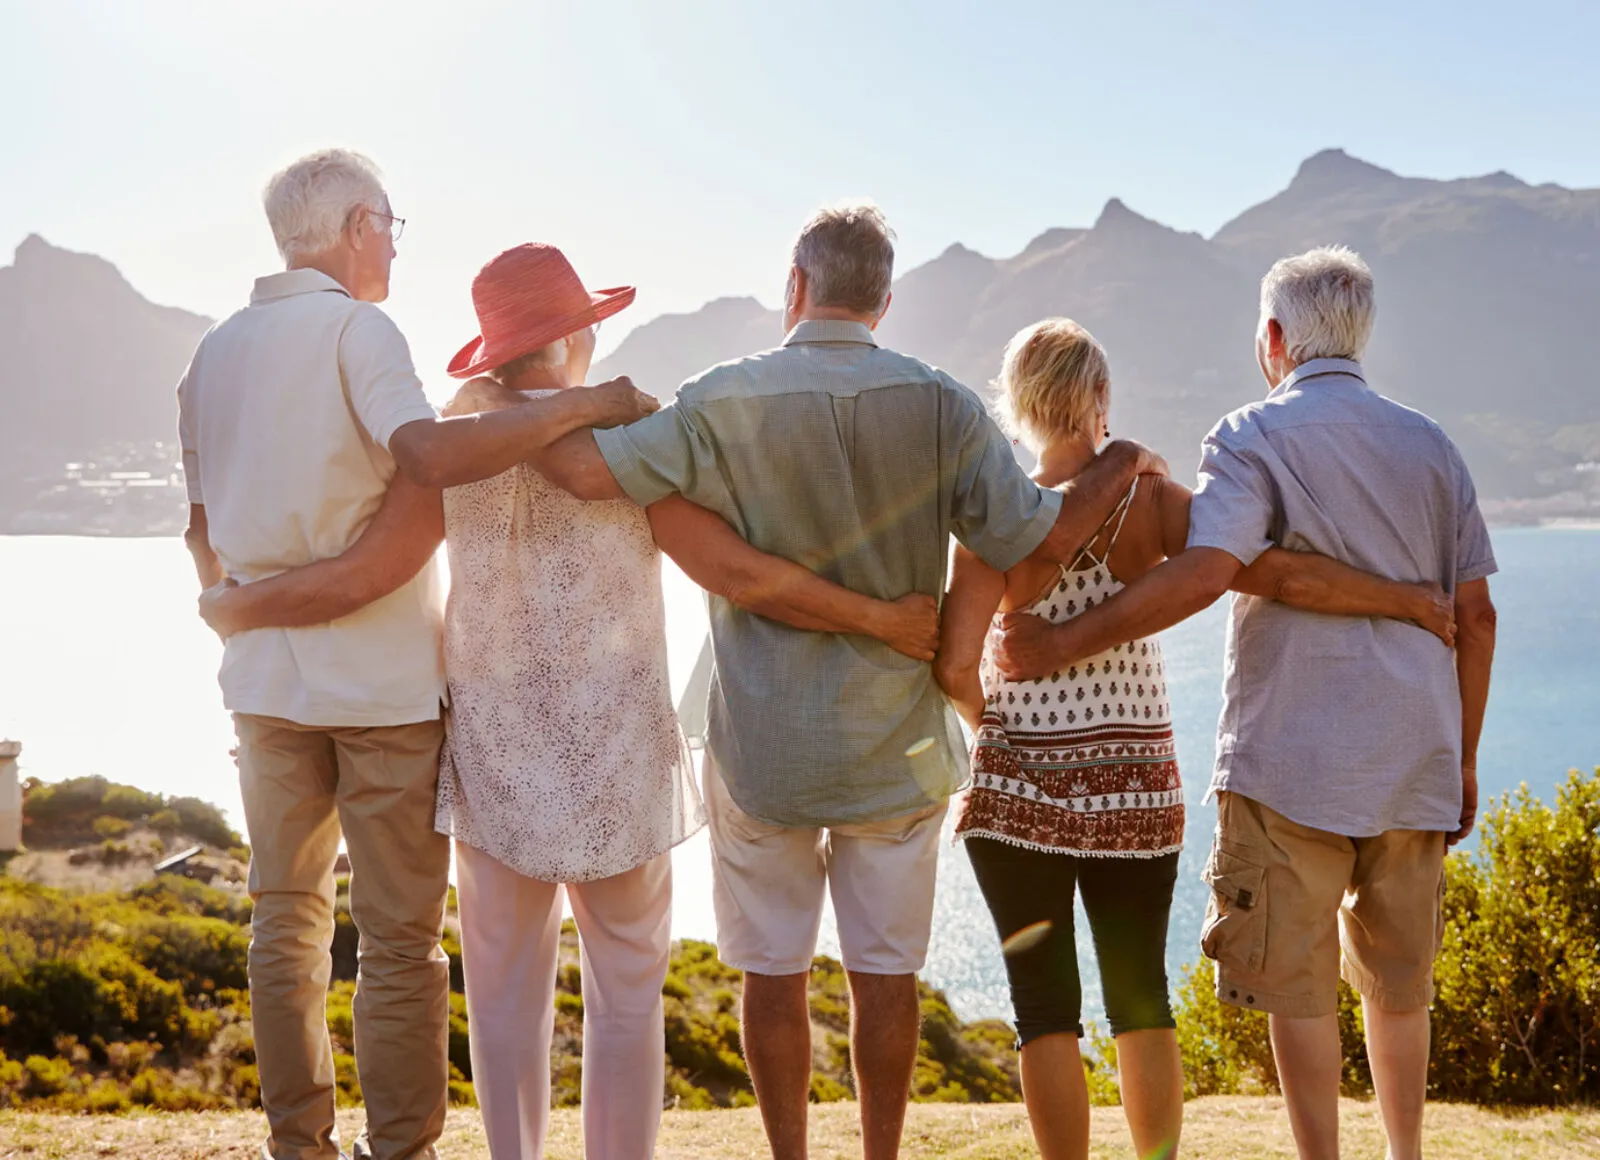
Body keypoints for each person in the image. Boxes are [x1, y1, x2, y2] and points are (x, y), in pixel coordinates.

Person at [199, 241, 945, 1160]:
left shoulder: (454, 437)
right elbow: (727, 565)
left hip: (497, 757)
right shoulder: (631, 441)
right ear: (577, 336)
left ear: (498, 349)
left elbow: (376, 569)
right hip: (619, 759)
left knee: (507, 1001)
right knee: (628, 999)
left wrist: (242, 601)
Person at [514, 201, 1170, 1160]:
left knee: (771, 976)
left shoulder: (720, 397)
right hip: (895, 747)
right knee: (886, 976)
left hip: (761, 744)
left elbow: (579, 474)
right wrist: (1116, 461)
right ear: (885, 301)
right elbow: (1035, 537)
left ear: (795, 287)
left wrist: (567, 399)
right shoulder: (945, 403)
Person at [177, 149, 658, 1160]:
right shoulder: (359, 329)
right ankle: (401, 1148)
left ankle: (299, 1144)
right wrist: (586, 402)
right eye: (391, 223)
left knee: (283, 924)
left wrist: (240, 602)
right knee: (397, 939)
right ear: (357, 224)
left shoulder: (209, 355)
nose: (394, 242)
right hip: (381, 688)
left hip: (262, 685)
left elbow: (201, 533)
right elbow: (427, 466)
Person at [991, 250, 1498, 1160]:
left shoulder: (1250, 436)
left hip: (1285, 759)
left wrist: (1060, 644)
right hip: (1416, 754)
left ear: (1273, 339)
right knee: (1399, 987)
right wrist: (1461, 756)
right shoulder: (1434, 446)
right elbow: (1478, 613)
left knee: (1296, 987)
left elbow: (1216, 572)